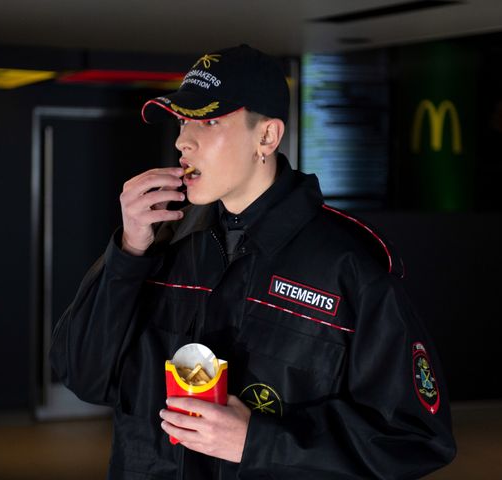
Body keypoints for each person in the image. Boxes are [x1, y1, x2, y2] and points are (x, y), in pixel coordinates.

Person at [50, 44, 456, 479]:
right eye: (183, 121)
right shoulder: (160, 241)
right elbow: (82, 375)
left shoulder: (349, 264)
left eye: (208, 121)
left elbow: (416, 437)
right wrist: (127, 253)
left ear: (266, 137)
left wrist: (258, 442)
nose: (182, 140)